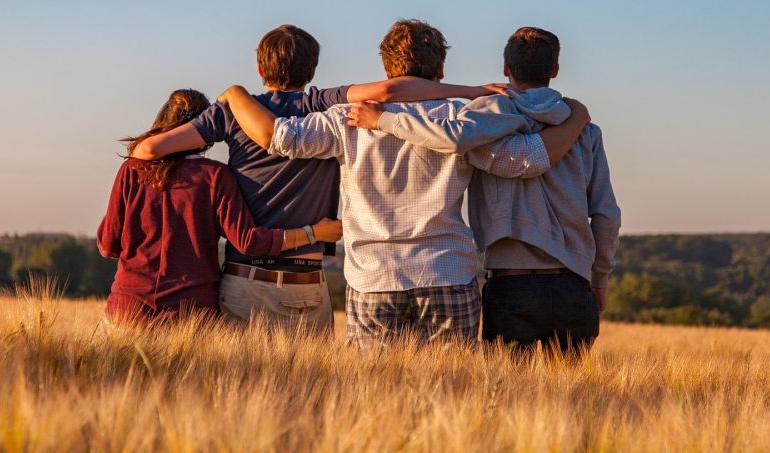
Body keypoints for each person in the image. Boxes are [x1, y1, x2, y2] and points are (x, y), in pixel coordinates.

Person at [219, 20, 590, 347]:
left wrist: (234, 94)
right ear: (441, 69)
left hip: (373, 276)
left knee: (372, 398)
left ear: (385, 68)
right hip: (447, 272)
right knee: (453, 397)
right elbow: (526, 161)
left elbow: (280, 138)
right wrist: (575, 119)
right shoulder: (461, 119)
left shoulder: (346, 118)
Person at [128, 24, 509, 332]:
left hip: (252, 278)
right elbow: (394, 90)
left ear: (260, 69)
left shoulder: (236, 112)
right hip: (314, 283)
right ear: (312, 70)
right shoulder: (325, 103)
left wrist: (229, 101)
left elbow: (147, 152)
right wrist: (471, 90)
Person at [349, 27, 621, 356]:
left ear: (506, 69)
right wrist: (599, 278)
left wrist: (382, 120)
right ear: (555, 70)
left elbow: (452, 137)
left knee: (506, 400)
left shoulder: (482, 120)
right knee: (572, 401)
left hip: (510, 285)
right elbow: (606, 215)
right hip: (574, 285)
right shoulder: (585, 131)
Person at [96, 89, 342, 324]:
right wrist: (313, 233)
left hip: (128, 308)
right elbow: (248, 241)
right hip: (192, 313)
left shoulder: (132, 170)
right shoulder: (215, 176)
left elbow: (108, 245)